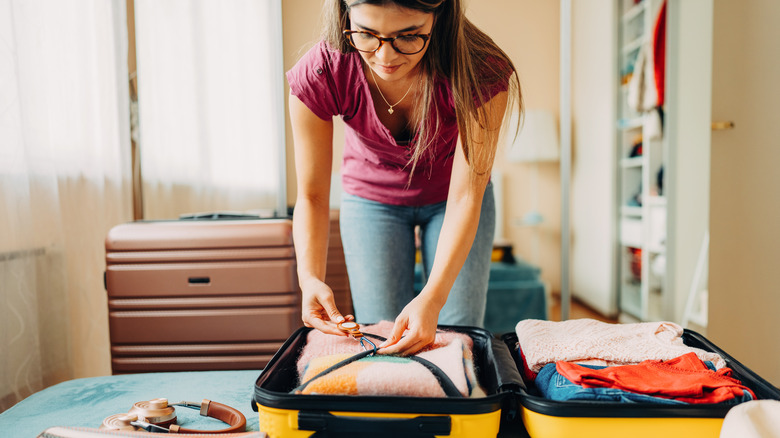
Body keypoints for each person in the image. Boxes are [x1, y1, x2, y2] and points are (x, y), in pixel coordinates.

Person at [287, 0, 522, 355]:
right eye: (366, 34)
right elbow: (312, 196)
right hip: (370, 199)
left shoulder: (480, 69)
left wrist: (433, 297)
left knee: (455, 335)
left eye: (408, 36)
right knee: (382, 335)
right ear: (344, 15)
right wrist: (310, 279)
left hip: (453, 199)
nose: (385, 55)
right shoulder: (322, 70)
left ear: (439, 19)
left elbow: (465, 198)